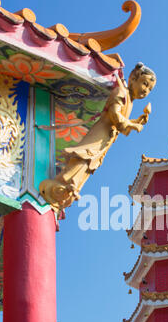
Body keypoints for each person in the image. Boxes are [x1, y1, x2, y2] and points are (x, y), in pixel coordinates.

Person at [40, 63, 156, 211]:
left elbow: (122, 124)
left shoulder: (130, 102)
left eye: (149, 89)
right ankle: (64, 182)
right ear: (133, 78)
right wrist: (133, 125)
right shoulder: (121, 91)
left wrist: (136, 121)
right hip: (100, 133)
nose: (146, 90)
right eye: (144, 84)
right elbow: (115, 116)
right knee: (84, 158)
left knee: (90, 166)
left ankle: (72, 188)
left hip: (105, 141)